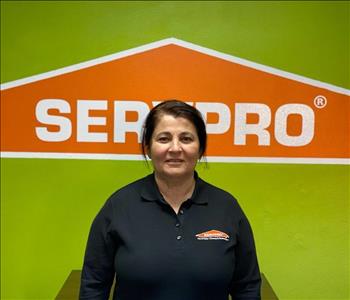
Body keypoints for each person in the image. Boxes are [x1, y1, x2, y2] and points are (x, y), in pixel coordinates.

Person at [79, 100, 261, 300]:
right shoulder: (118, 205)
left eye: (186, 138)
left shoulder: (227, 207)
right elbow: (93, 285)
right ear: (148, 147)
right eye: (164, 139)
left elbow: (247, 287)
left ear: (200, 149)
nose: (175, 148)